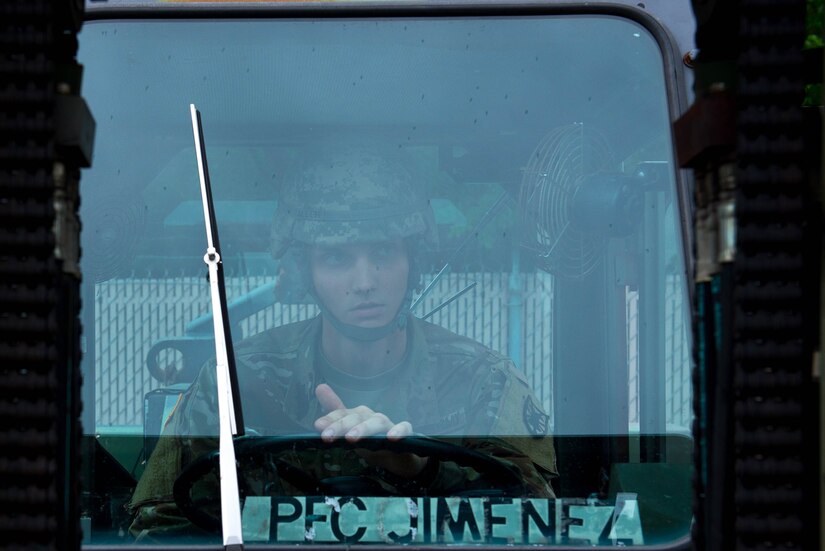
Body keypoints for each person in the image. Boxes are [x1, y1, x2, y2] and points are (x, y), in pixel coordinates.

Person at [127, 148, 557, 541]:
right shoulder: (236, 384)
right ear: (303, 271)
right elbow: (161, 529)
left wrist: (422, 470)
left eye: (384, 254)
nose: (365, 282)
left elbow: (540, 525)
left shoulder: (484, 381)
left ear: (413, 262)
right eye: (337, 258)